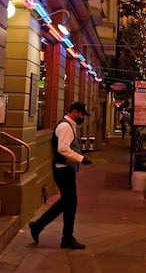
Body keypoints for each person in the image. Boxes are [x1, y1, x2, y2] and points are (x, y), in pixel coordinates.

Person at [29, 102, 93, 249]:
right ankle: (63, 236)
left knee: (68, 202)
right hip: (63, 169)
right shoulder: (65, 127)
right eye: (82, 114)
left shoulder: (69, 126)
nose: (83, 117)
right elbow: (63, 149)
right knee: (69, 202)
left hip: (65, 168)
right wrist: (81, 159)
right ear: (75, 112)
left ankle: (42, 227)